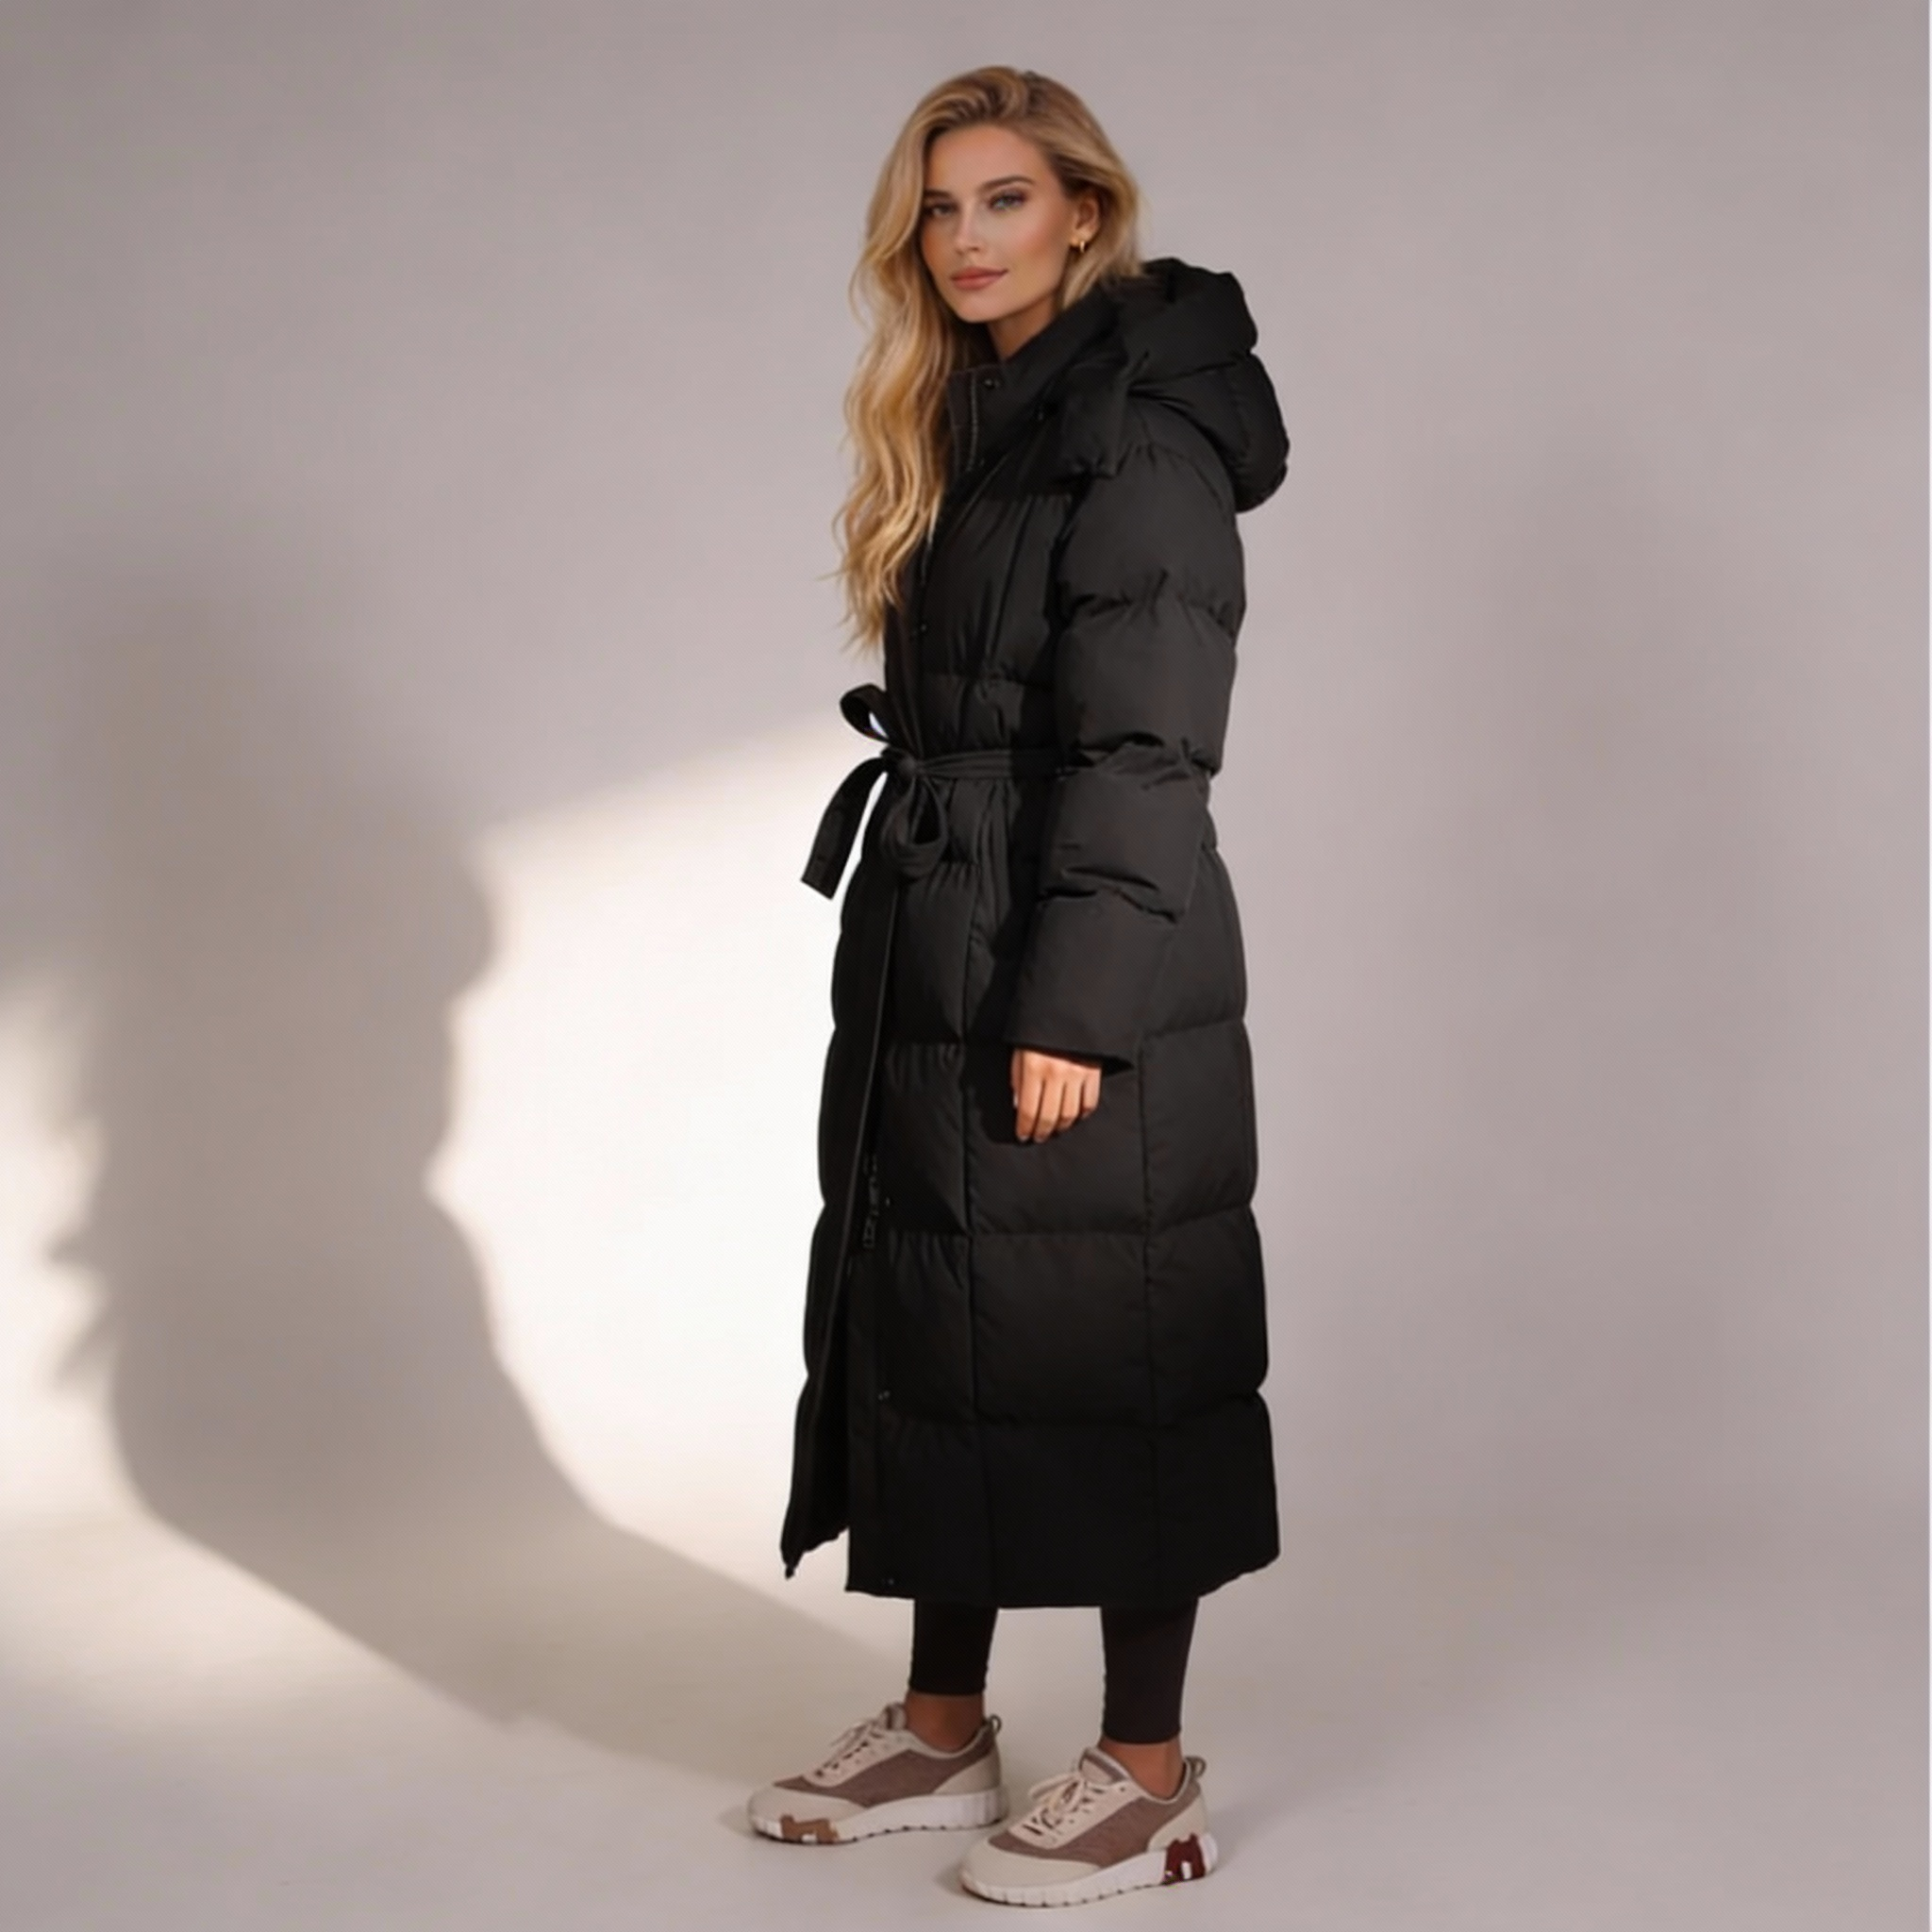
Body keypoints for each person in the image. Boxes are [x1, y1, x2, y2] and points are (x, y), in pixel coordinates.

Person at [749, 64, 1290, 1908]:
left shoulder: (1135, 430)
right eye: (937, 206)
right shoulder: (973, 412)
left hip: (1078, 934)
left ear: (1083, 211)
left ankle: (1145, 1768)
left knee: (1112, 1332)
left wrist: (1074, 1000)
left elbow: (1149, 743)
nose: (965, 238)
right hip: (942, 913)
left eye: (1002, 199)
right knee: (939, 1321)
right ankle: (941, 1725)